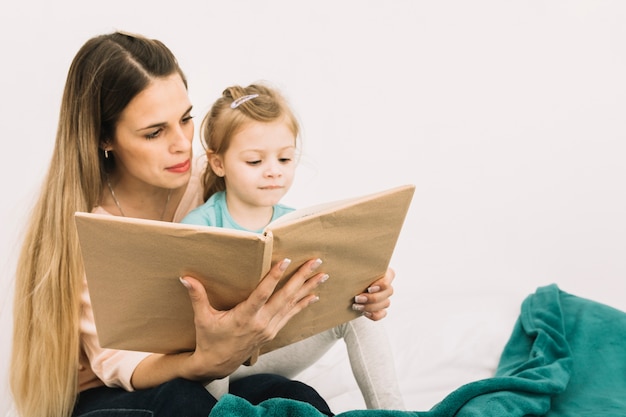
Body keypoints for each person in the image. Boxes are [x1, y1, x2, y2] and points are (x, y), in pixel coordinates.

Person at [9, 31, 396, 417]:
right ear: (104, 138)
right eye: (155, 132)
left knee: (292, 398)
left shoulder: (211, 180)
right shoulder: (85, 228)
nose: (182, 143)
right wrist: (208, 360)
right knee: (181, 400)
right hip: (120, 392)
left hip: (218, 367)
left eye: (186, 118)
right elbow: (122, 366)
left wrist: (357, 286)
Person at [180, 83, 405, 410]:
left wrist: (367, 282)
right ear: (218, 164)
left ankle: (393, 412)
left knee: (353, 313)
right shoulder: (199, 224)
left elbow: (334, 283)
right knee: (212, 343)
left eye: (284, 158)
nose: (273, 171)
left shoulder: (299, 224)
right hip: (215, 362)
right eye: (255, 161)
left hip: (269, 350)